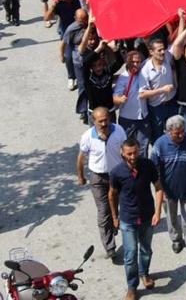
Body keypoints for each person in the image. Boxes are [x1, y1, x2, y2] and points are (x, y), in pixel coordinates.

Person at [108, 138, 162, 300]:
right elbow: (112, 195)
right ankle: (132, 286)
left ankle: (144, 274)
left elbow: (158, 187)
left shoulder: (148, 165)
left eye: (135, 152)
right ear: (122, 153)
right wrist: (114, 217)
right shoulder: (117, 172)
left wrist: (158, 213)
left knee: (146, 249)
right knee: (130, 254)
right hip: (128, 219)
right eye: (129, 154)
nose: (133, 156)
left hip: (147, 216)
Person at [150, 115, 186, 266]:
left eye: (182, 131)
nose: (181, 135)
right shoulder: (159, 145)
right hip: (169, 190)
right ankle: (176, 239)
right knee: (172, 218)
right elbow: (153, 168)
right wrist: (159, 189)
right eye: (177, 133)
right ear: (169, 132)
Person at [77, 107, 127, 259]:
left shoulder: (118, 130)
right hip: (98, 178)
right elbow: (81, 157)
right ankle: (109, 246)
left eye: (106, 119)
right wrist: (81, 176)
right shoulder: (87, 137)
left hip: (117, 176)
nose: (104, 123)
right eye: (100, 121)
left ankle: (115, 222)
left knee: (120, 206)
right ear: (94, 121)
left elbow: (125, 150)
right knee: (103, 211)